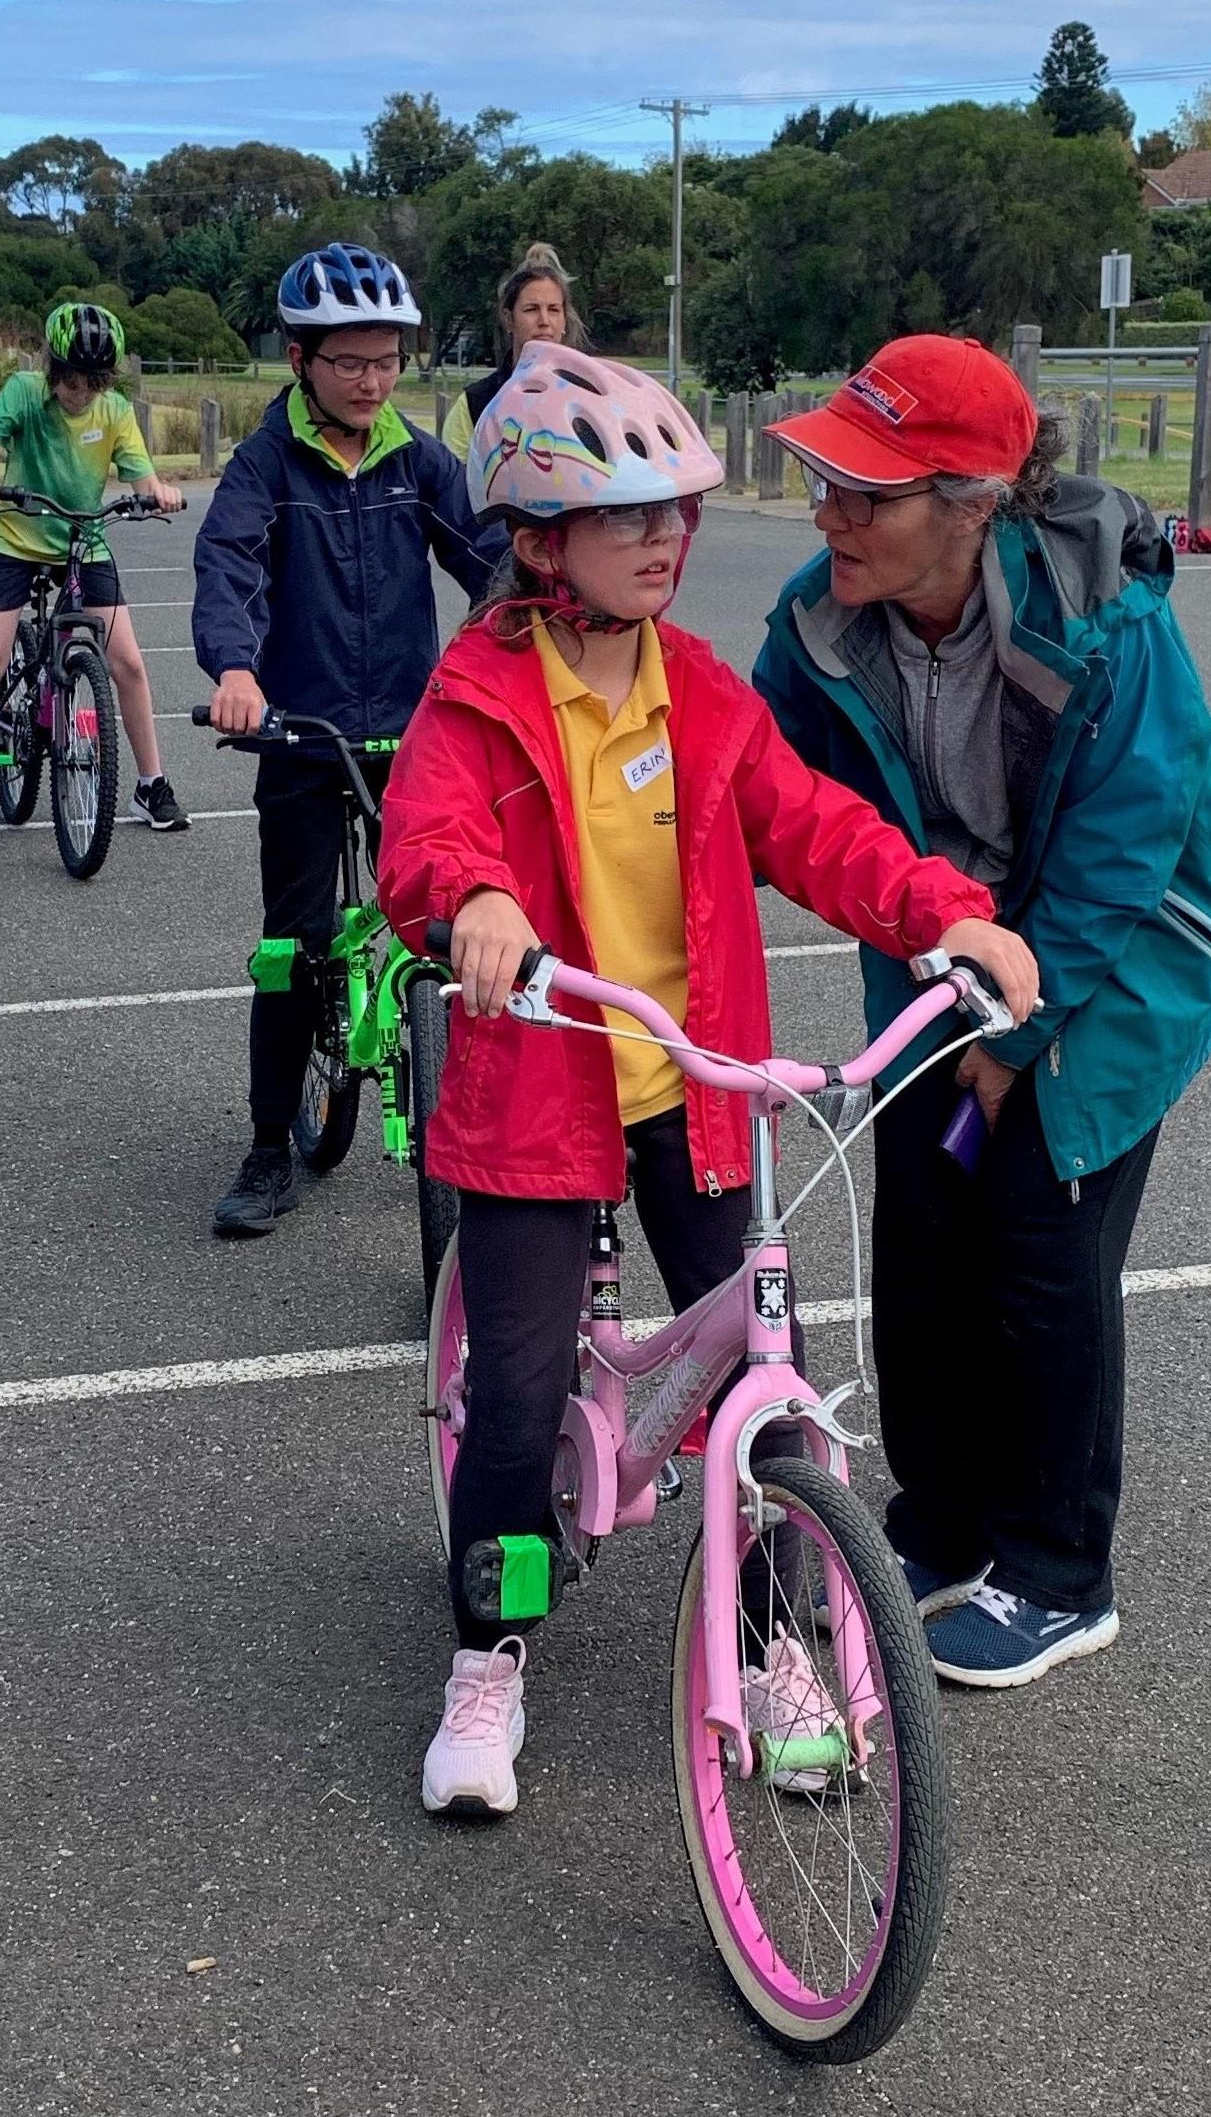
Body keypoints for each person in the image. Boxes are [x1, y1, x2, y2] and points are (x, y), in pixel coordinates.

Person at [377, 343, 1040, 1816]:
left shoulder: (699, 692)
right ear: (541, 543)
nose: (667, 536)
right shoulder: (478, 691)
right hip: (539, 1091)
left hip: (694, 1086)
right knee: (515, 1398)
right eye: (627, 516)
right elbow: (425, 842)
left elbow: (814, 827)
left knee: (767, 1385)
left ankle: (770, 1647)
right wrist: (471, 902)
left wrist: (943, 909)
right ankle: (489, 1652)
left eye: (676, 507)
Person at [752, 335, 1211, 1691]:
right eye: (825, 482)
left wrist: (1015, 1043)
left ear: (973, 502)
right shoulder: (815, 625)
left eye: (868, 493)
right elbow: (760, 794)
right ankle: (937, 1525)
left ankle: (1055, 1569)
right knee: (922, 1239)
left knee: (1041, 1247)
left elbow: (1130, 837)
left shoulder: (1105, 616)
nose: (830, 516)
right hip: (942, 962)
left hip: (1120, 959)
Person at [194, 243, 505, 1238]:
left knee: (451, 931)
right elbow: (231, 569)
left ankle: (481, 1134)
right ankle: (268, 1141)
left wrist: (513, 633)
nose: (371, 382)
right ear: (298, 360)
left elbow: (488, 554)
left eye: (385, 361)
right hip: (301, 734)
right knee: (291, 944)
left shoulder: (417, 458)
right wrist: (234, 671)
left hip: (414, 740)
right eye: (348, 363)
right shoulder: (264, 465)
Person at [0, 301, 188, 855]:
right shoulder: (21, 393)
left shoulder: (114, 412)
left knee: (128, 662)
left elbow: (142, 475)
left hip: (82, 538)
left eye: (91, 381)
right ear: (52, 367)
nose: (77, 391)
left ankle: (150, 784)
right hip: (16, 537)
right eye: (68, 378)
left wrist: (159, 492)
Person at [438, 242, 577, 453]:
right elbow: (452, 480)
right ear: (508, 318)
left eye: (554, 310)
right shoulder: (474, 405)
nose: (544, 320)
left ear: (565, 320)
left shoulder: (587, 396)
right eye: (531, 309)